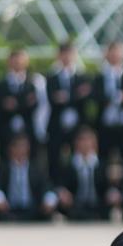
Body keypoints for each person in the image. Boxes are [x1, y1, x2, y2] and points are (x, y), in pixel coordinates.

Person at [46, 42, 92, 182]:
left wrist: (66, 97)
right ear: (59, 56)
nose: (67, 57)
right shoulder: (51, 78)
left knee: (78, 159)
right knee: (54, 159)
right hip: (56, 126)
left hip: (78, 126)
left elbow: (86, 98)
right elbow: (52, 99)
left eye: (70, 53)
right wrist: (76, 95)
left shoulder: (82, 77)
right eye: (64, 53)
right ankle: (55, 187)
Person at [56, 126, 122, 220]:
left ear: (95, 143)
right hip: (75, 208)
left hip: (99, 207)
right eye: (82, 140)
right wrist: (63, 192)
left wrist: (112, 191)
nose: (86, 144)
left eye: (89, 140)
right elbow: (60, 184)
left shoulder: (103, 165)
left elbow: (109, 186)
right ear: (76, 143)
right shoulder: (68, 166)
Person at [93, 41, 123, 163]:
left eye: (118, 52)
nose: (115, 55)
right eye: (112, 52)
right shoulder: (100, 77)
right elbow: (96, 97)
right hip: (105, 125)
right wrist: (117, 97)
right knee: (103, 158)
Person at [0, 134, 58, 221]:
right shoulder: (3, 168)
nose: (21, 150)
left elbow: (47, 186)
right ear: (11, 148)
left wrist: (49, 199)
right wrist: (0, 198)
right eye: (18, 146)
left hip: (32, 212)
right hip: (7, 211)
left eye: (24, 146)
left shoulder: (36, 169)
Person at [0, 48, 41, 162]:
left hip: (28, 130)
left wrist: (15, 104)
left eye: (20, 60)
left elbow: (37, 105)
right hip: (6, 131)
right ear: (8, 62)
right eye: (15, 60)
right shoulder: (1, 84)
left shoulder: (34, 82)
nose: (17, 63)